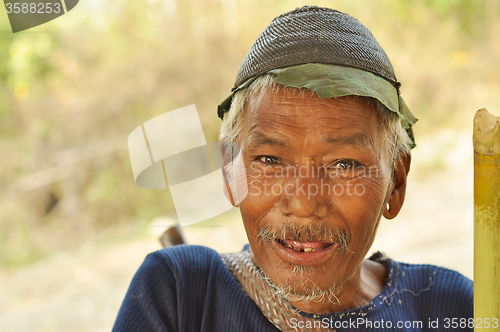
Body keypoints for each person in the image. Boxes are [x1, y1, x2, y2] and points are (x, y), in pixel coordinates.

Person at [113, 6, 473, 331]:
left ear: (395, 183)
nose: (303, 203)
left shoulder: (450, 305)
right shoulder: (180, 292)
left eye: (344, 164)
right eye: (269, 161)